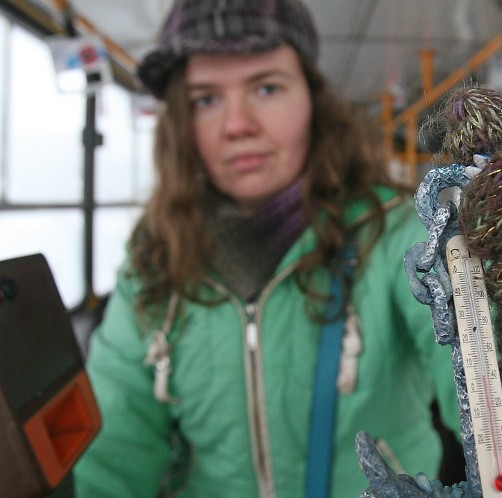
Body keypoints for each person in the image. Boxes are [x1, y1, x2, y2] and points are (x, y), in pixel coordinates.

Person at [73, 0, 461, 496]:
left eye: (266, 88)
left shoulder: (395, 237)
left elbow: (498, 391)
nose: (237, 125)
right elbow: (111, 455)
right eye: (206, 99)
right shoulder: (154, 262)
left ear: (313, 104)